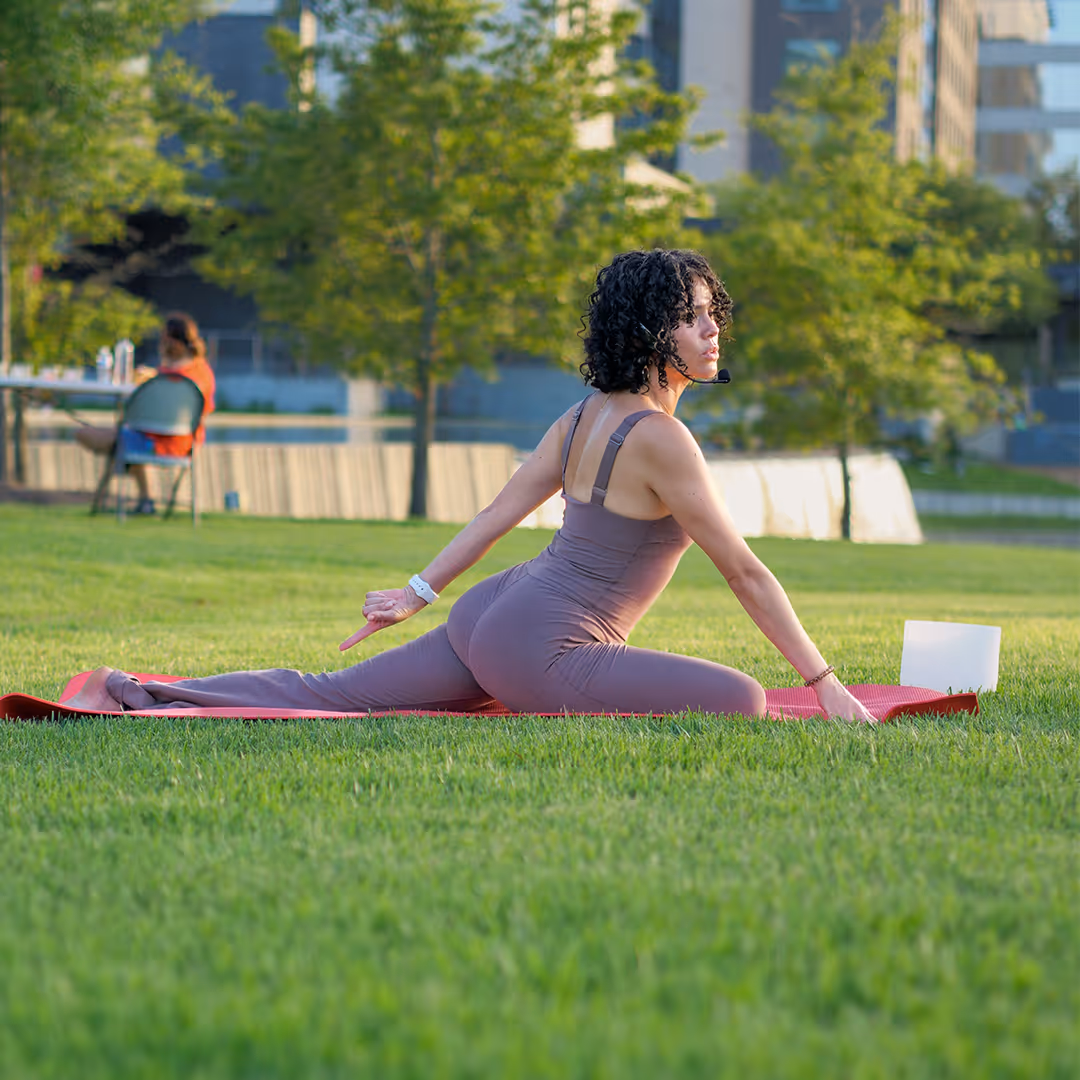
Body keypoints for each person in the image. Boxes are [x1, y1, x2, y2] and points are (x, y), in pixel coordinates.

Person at [66, 250, 874, 722]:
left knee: (331, 696)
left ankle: (146, 693)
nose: (712, 331)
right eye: (694, 318)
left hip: (496, 609)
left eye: (712, 315)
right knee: (744, 701)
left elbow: (497, 512)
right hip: (541, 644)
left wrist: (419, 590)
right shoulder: (663, 440)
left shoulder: (588, 412)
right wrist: (823, 683)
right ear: (650, 334)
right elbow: (744, 570)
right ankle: (150, 695)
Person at [77, 313, 216, 515]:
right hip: (187, 443)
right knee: (124, 438)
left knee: (87, 434)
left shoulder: (169, 377)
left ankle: (142, 494)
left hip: (159, 441)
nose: (160, 345)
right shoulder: (202, 372)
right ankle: (145, 499)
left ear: (174, 343)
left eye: (163, 340)